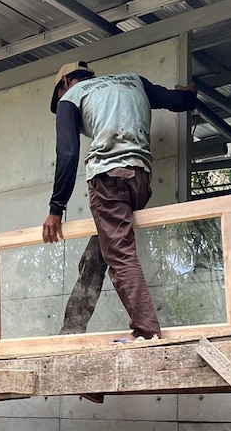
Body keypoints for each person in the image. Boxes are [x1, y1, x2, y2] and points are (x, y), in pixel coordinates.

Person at [43, 61, 197, 342]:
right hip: (138, 180)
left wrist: (56, 209)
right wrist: (189, 93)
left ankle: (147, 334)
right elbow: (178, 101)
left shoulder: (71, 98)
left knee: (120, 256)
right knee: (96, 257)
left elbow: (67, 153)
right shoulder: (133, 80)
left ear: (65, 81)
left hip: (108, 180)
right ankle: (70, 333)